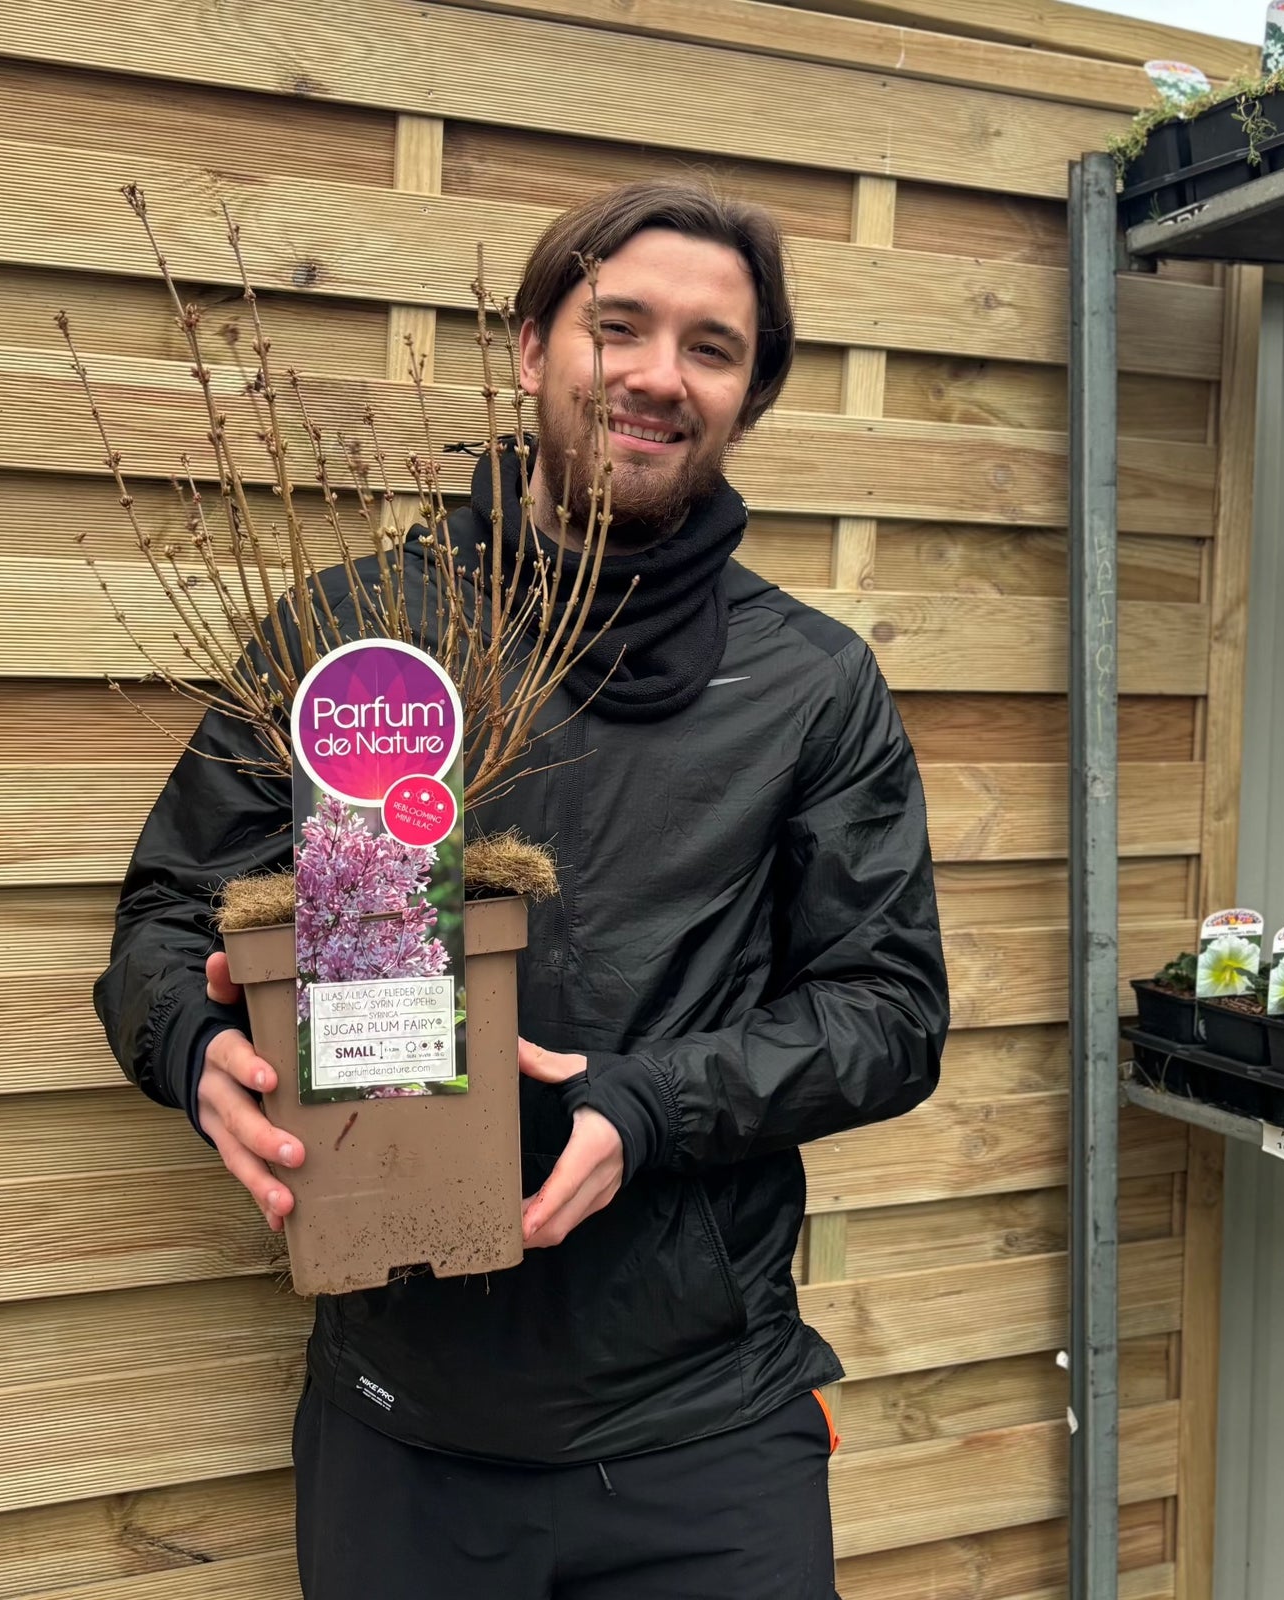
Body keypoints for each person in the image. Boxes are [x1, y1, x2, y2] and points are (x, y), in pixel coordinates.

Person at [96, 179, 950, 1599]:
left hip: (707, 1442)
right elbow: (167, 920)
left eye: (712, 348)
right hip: (403, 1431)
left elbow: (889, 1011)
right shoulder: (360, 640)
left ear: (747, 397)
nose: (659, 375)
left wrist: (649, 1104)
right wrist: (196, 1053)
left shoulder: (808, 683)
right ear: (534, 345)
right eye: (620, 325)